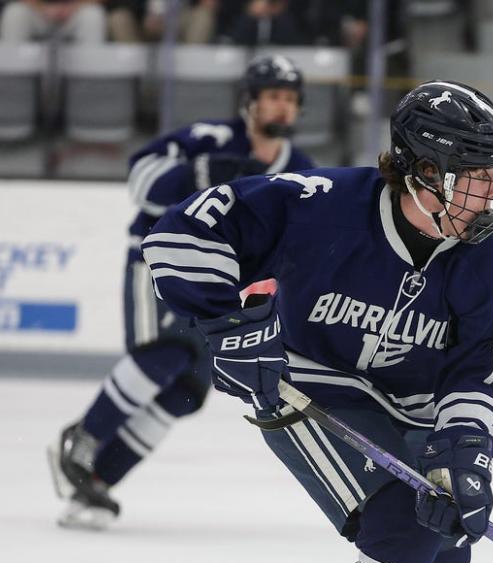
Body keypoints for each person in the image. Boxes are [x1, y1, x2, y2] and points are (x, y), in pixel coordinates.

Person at [143, 80, 493, 563]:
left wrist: (464, 454)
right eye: (471, 174)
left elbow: (486, 370)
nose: (489, 193)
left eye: (491, 174)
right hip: (307, 388)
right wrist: (227, 324)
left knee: (450, 544)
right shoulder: (319, 206)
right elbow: (181, 232)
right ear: (421, 170)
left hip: (412, 410)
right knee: (404, 522)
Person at [48, 55, 313, 530]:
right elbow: (140, 179)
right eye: (273, 96)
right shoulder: (209, 139)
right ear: (250, 101)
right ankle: (84, 440)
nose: (282, 107)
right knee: (164, 354)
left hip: (227, 287)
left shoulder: (302, 168)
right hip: (160, 262)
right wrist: (199, 173)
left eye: (291, 100)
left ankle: (97, 485)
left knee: (186, 391)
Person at [0, 0, 106, 44]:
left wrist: (72, 8)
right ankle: (13, 81)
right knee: (14, 13)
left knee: (92, 15)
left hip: (76, 12)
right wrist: (43, 9)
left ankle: (88, 83)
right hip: (37, 12)